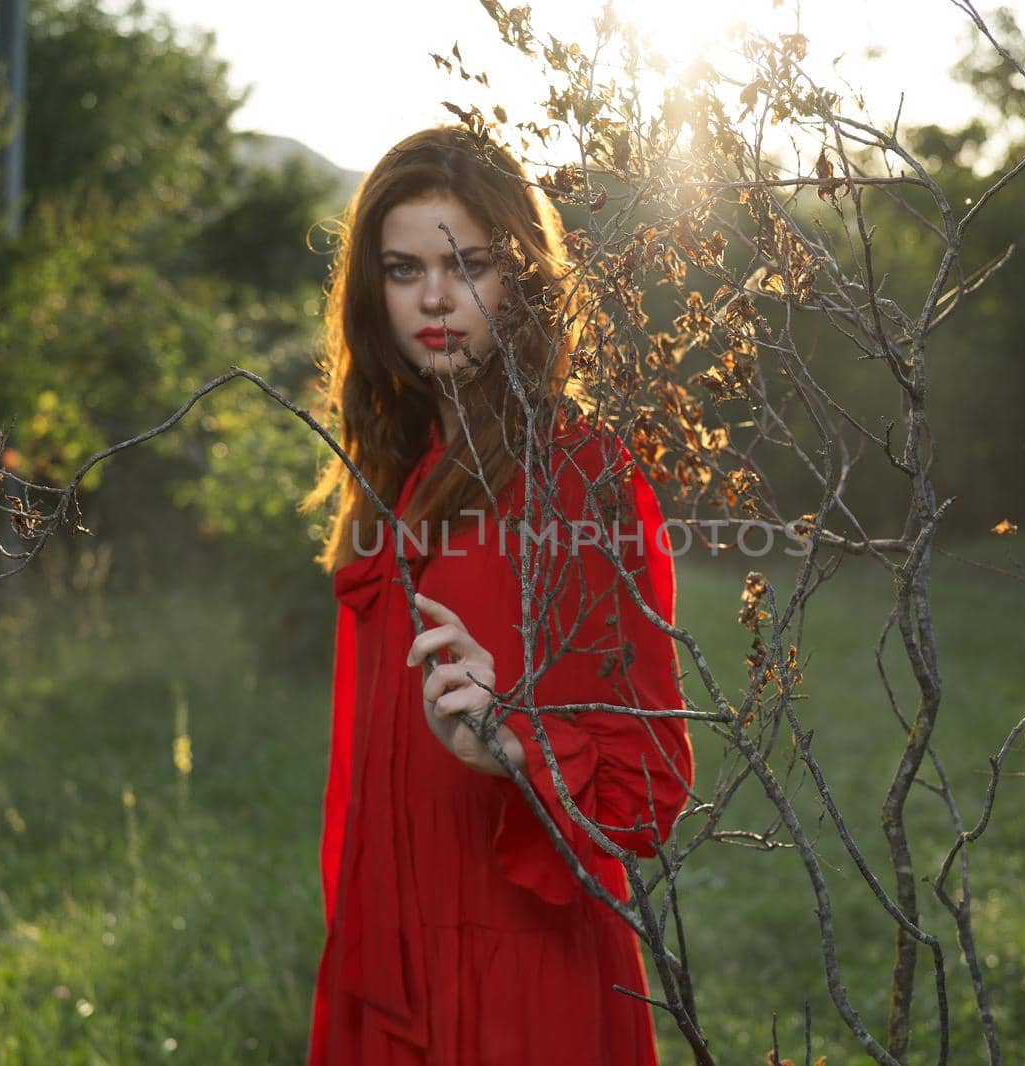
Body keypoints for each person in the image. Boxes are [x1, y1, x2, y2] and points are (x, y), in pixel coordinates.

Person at [298, 126, 695, 1065]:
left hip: (521, 961)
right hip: (389, 943)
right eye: (403, 269)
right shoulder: (398, 466)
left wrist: (514, 742)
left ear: (520, 278)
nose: (434, 298)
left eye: (467, 264)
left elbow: (652, 785)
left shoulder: (581, 472)